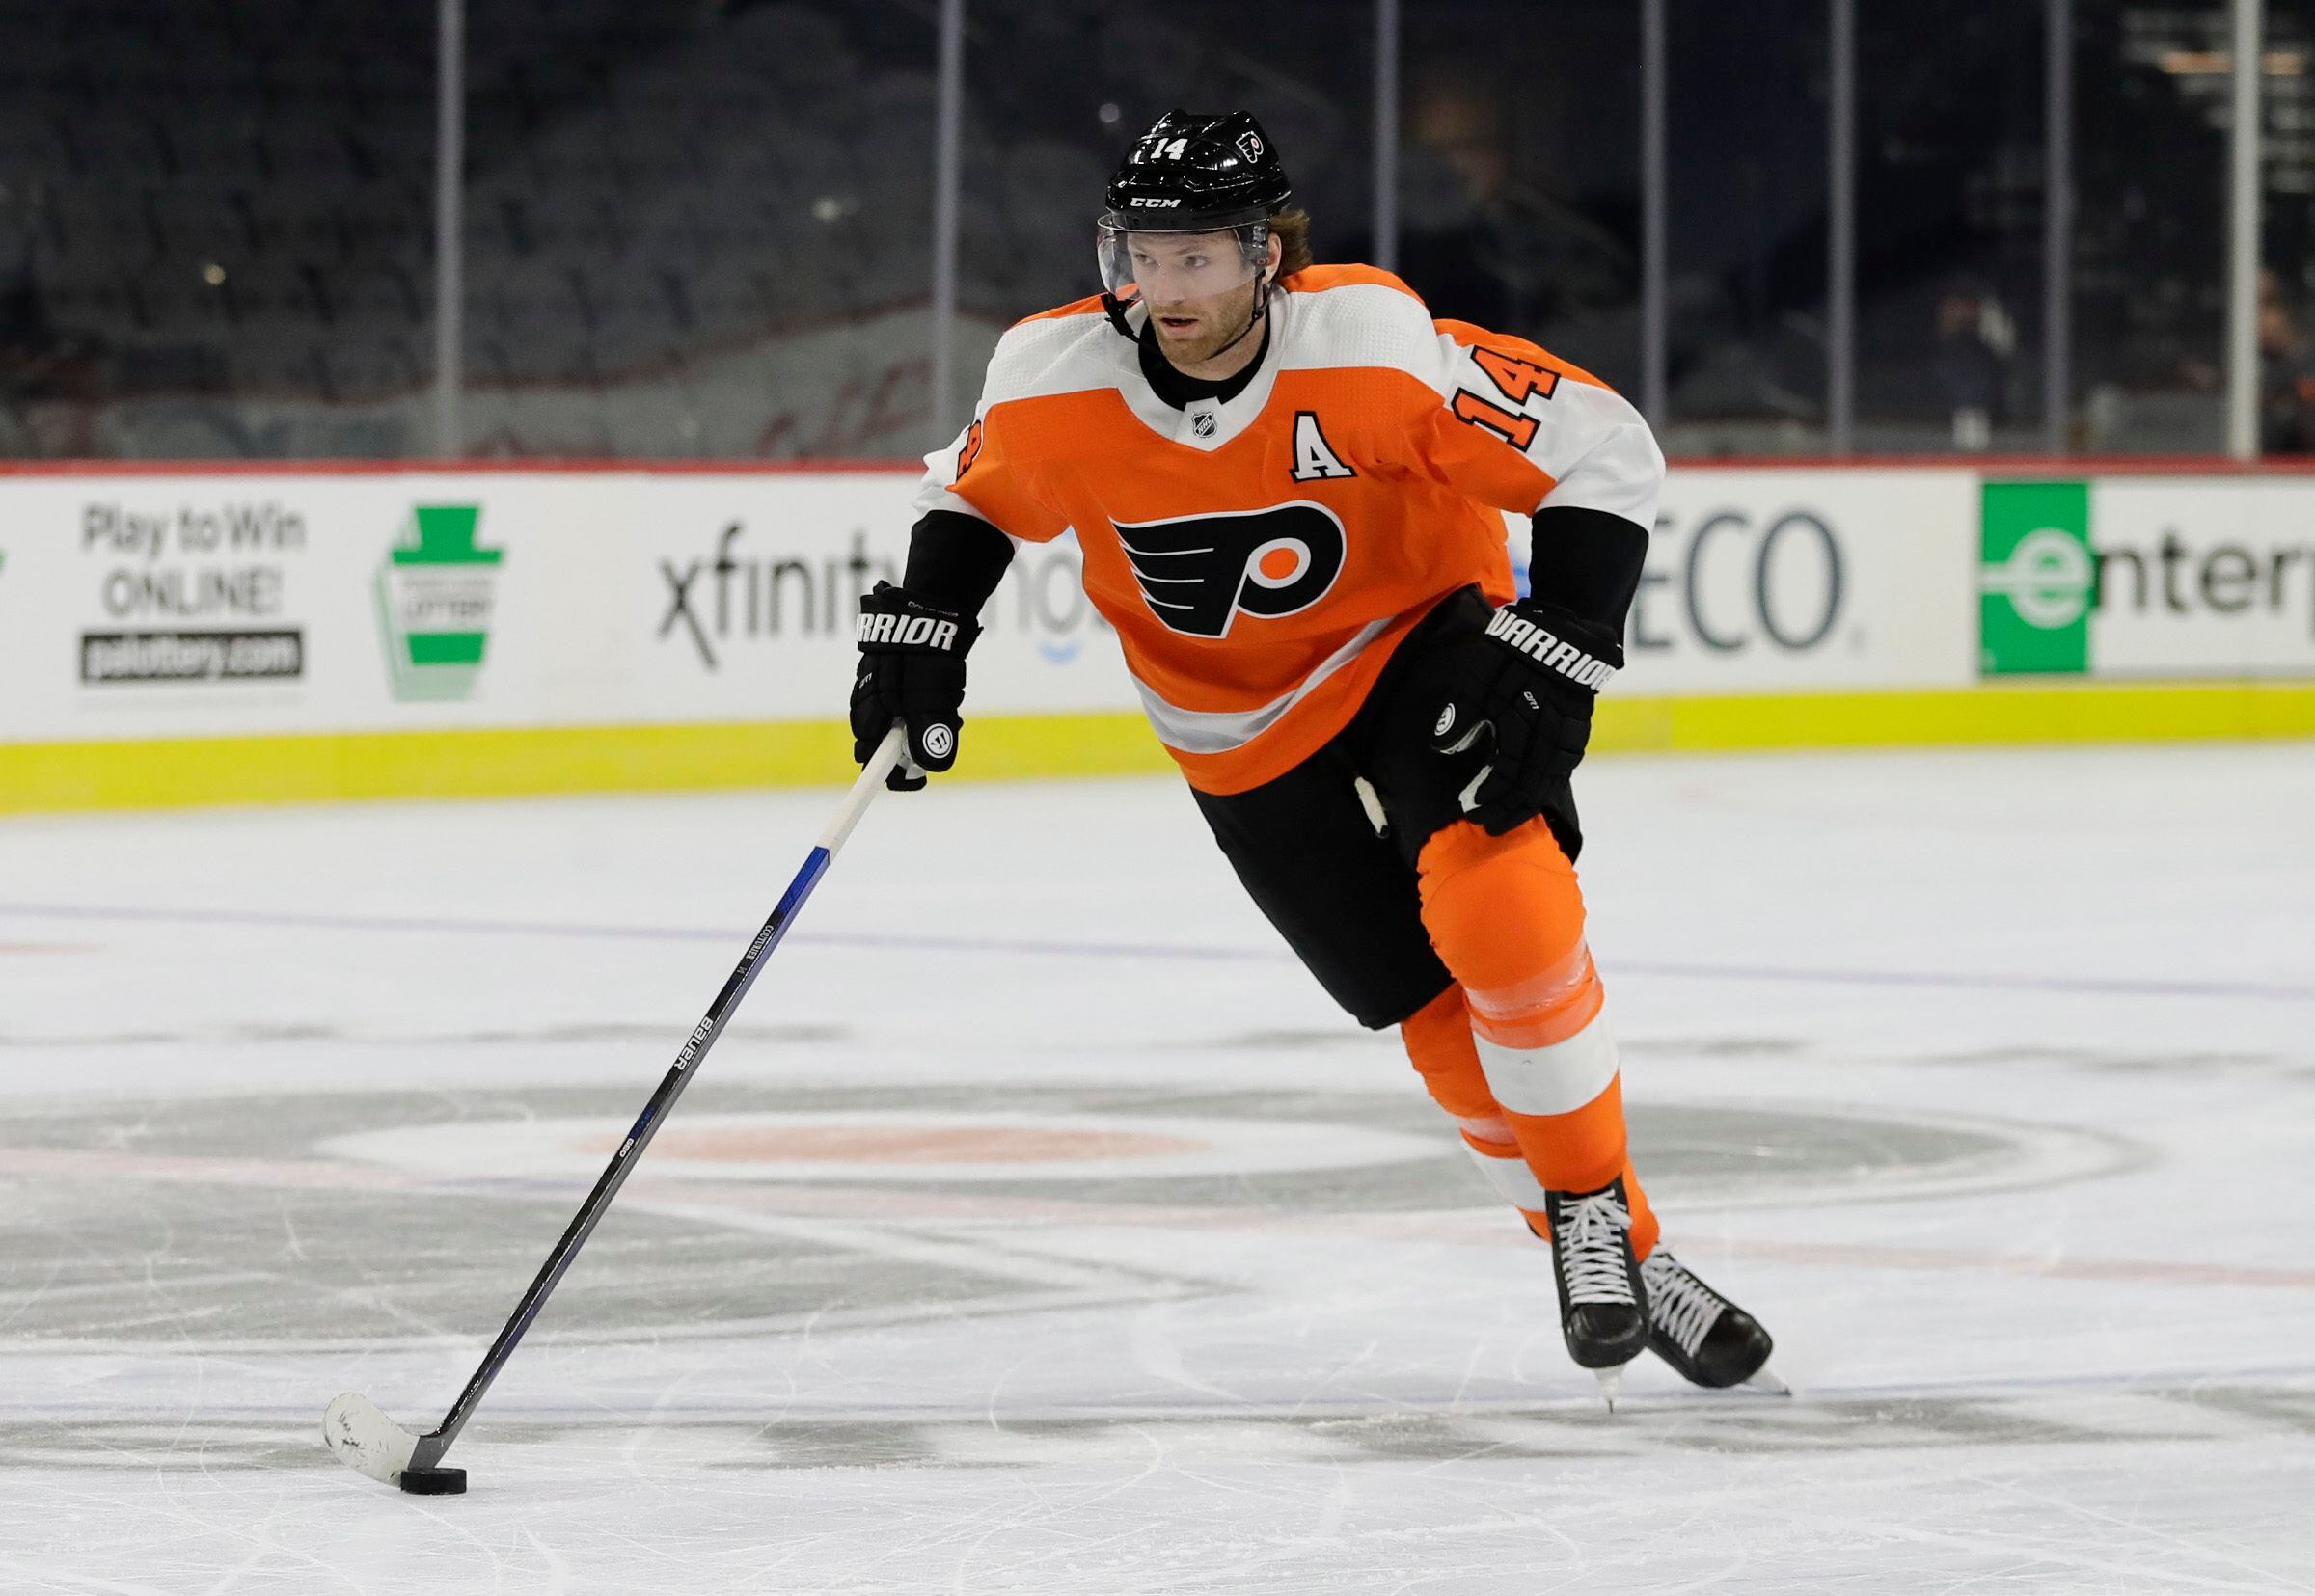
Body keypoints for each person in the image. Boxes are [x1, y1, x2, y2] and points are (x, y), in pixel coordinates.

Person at [849, 110, 1776, 1401]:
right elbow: (969, 491)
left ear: (1268, 255)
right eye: (1144, 258)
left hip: (1413, 645)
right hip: (1227, 725)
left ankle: (1586, 1217)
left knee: (1497, 896)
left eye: (1201, 260)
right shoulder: (1049, 379)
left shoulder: (1373, 350)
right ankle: (1622, 1237)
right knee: (1420, 1000)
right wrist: (924, 624)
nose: (1165, 293)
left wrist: (1564, 642)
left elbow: (1602, 446)